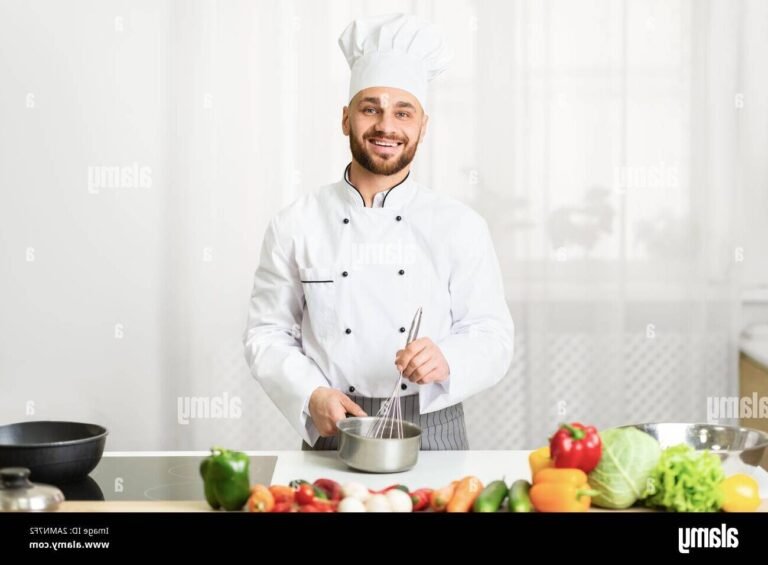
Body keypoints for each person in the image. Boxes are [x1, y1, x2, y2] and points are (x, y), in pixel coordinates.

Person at [243, 13, 514, 450]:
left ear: (422, 128)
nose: (386, 126)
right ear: (346, 118)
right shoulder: (296, 222)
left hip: (432, 428)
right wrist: (311, 394)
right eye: (371, 109)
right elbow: (267, 333)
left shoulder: (459, 225)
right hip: (336, 423)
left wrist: (449, 358)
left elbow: (493, 334)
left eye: (403, 113)